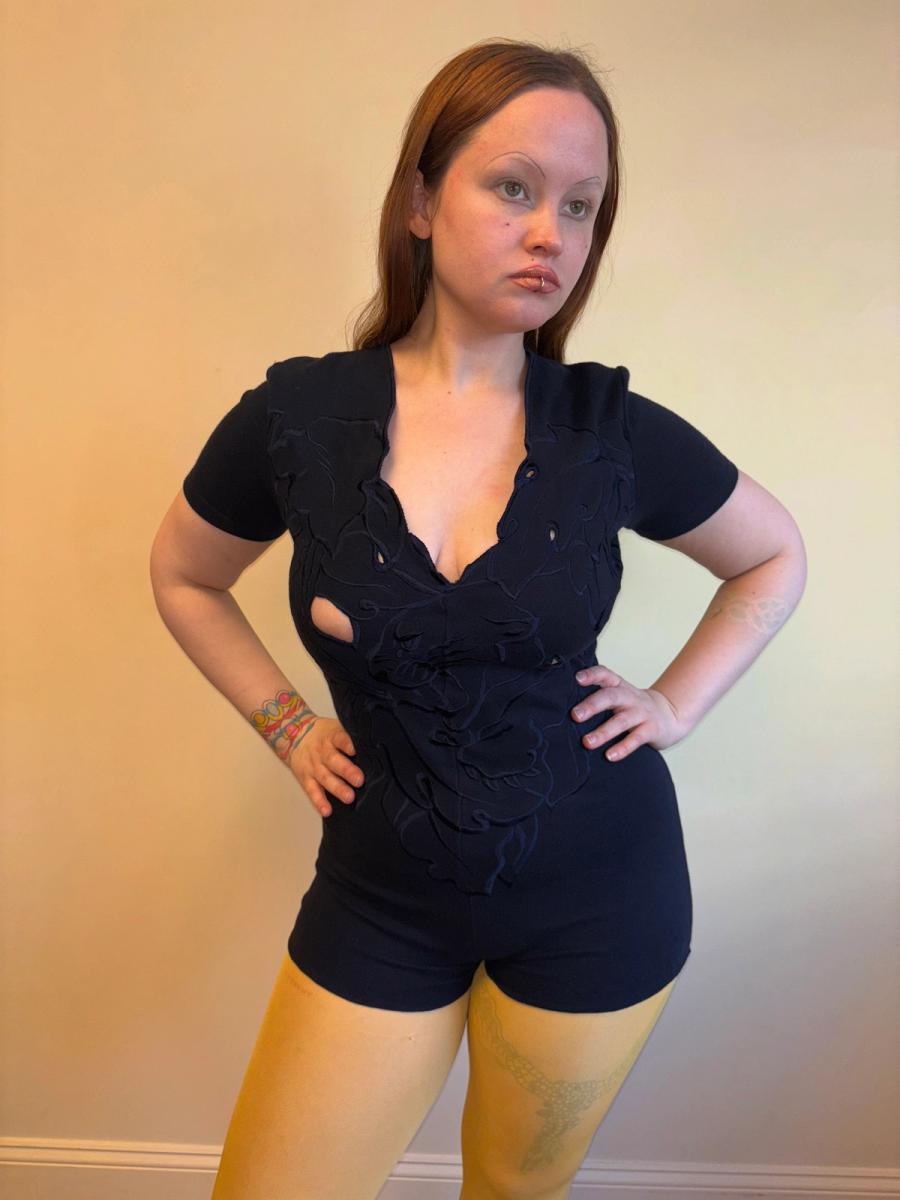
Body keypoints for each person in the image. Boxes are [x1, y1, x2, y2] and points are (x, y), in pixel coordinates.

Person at [150, 36, 806, 1200]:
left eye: (582, 206)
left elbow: (773, 556)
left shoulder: (606, 427)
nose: (551, 232)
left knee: (511, 1191)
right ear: (420, 200)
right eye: (513, 187)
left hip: (602, 900)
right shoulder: (298, 419)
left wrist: (673, 705)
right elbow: (183, 575)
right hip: (380, 899)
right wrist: (288, 726)